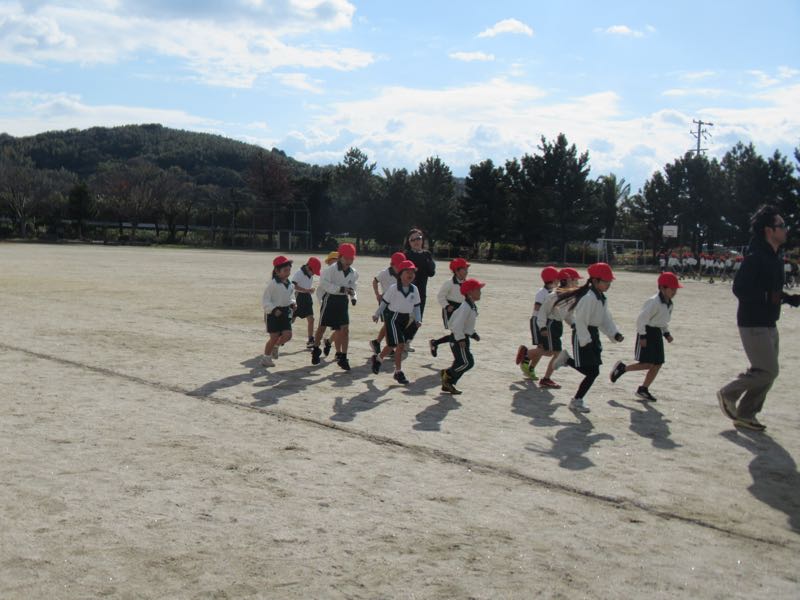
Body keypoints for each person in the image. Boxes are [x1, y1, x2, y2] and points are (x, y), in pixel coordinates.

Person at [717, 205, 800, 431]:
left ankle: (746, 414)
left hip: (769, 322)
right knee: (767, 370)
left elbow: (771, 291)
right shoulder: (755, 257)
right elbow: (740, 289)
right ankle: (728, 393)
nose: (785, 229)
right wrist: (767, 296)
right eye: (781, 225)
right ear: (768, 230)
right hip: (752, 322)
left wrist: (788, 298)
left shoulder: (775, 257)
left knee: (767, 373)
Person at [549, 262, 624, 413]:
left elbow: (605, 318)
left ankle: (576, 395)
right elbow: (581, 321)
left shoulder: (601, 297)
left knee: (593, 371)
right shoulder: (588, 297)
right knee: (593, 372)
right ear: (595, 280)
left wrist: (614, 333)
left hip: (592, 334)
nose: (609, 285)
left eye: (610, 282)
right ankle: (576, 399)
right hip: (582, 335)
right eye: (606, 281)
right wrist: (585, 341)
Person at [609, 271, 681, 401]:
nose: (674, 292)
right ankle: (622, 368)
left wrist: (666, 333)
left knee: (658, 363)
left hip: (657, 333)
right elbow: (641, 320)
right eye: (672, 289)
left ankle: (643, 389)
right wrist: (642, 336)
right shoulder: (654, 301)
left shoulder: (670, 303)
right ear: (662, 288)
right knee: (647, 363)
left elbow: (663, 321)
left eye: (676, 289)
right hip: (647, 332)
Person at [524, 267, 583, 389]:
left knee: (551, 352)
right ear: (567, 281)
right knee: (556, 353)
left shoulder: (571, 297)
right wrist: (542, 327)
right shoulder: (553, 296)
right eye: (575, 280)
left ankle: (529, 357)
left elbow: (568, 314)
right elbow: (542, 312)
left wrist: (573, 324)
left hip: (557, 326)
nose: (577, 283)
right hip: (550, 325)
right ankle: (545, 377)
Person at [371, 260, 422, 385]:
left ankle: (378, 359)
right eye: (407, 272)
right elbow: (384, 303)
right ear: (400, 274)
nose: (410, 274)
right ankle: (398, 372)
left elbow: (417, 306)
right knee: (400, 344)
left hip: (405, 319)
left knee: (392, 345)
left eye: (412, 272)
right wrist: (377, 314)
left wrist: (418, 319)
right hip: (392, 317)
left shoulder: (414, 289)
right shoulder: (394, 288)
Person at [311, 243, 358, 370]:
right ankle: (315, 349)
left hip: (343, 302)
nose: (349, 261)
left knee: (345, 330)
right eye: (346, 258)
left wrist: (354, 296)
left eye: (351, 259)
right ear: (340, 256)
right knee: (322, 327)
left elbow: (353, 286)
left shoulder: (353, 272)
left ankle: (343, 357)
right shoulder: (330, 270)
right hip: (330, 300)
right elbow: (324, 284)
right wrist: (340, 289)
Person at [440, 278, 484, 395]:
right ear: (469, 292)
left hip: (463, 337)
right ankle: (447, 374)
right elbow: (457, 325)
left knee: (461, 362)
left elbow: (467, 324)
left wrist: (473, 334)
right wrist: (460, 339)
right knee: (467, 363)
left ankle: (448, 383)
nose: (480, 292)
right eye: (478, 290)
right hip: (458, 339)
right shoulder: (466, 307)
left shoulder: (471, 306)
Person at [516, 266, 560, 381]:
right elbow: (537, 307)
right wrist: (549, 310)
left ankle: (531, 368)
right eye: (557, 278)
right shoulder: (542, 292)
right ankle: (526, 355)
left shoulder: (552, 292)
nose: (559, 281)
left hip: (544, 321)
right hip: (537, 321)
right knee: (545, 349)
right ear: (552, 279)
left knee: (542, 348)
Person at [429, 257, 469, 358]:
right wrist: (446, 306)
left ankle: (435, 343)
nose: (466, 271)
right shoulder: (449, 283)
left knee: (459, 332)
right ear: (456, 271)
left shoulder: (467, 283)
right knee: (456, 332)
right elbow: (440, 296)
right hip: (450, 309)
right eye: (464, 269)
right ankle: (458, 355)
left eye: (467, 269)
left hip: (462, 309)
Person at [261, 256, 297, 367]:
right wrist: (273, 309)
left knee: (288, 335)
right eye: (285, 270)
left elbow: (291, 296)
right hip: (273, 314)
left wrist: (293, 303)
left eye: (289, 270)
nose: (288, 273)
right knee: (274, 337)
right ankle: (266, 358)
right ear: (277, 271)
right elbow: (265, 300)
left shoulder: (290, 284)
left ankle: (276, 346)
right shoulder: (272, 284)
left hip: (285, 312)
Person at [369, 251, 406, 355]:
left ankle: (378, 343)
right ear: (392, 264)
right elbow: (375, 281)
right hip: (386, 302)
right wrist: (377, 294)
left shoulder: (403, 273)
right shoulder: (384, 273)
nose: (400, 268)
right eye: (398, 266)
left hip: (397, 303)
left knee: (389, 324)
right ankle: (384, 345)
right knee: (389, 324)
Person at [403, 228, 436, 320]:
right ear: (409, 242)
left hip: (421, 292)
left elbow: (431, 273)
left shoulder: (427, 254)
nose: (416, 241)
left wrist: (429, 262)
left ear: (422, 239)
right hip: (406, 292)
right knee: (404, 320)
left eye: (418, 238)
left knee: (417, 321)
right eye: (412, 239)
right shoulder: (406, 255)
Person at [291, 256, 322, 348]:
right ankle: (281, 334)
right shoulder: (299, 273)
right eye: (313, 271)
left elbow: (306, 285)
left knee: (311, 319)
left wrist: (309, 290)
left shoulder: (310, 275)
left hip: (307, 298)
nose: (314, 274)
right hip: (298, 298)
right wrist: (306, 290)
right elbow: (293, 286)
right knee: (291, 320)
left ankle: (310, 339)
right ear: (308, 267)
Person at [317, 251, 340, 357]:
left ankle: (336, 350)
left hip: (338, 304)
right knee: (323, 328)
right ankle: (317, 346)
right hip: (327, 304)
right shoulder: (326, 274)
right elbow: (319, 291)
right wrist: (322, 303)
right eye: (334, 260)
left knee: (340, 329)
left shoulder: (341, 274)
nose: (336, 262)